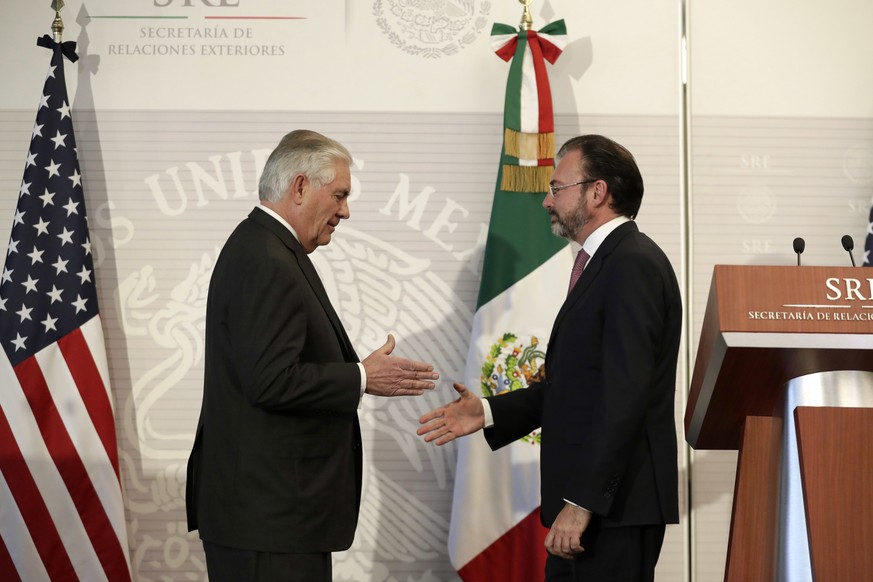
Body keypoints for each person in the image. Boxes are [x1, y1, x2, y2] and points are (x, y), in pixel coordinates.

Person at [418, 135, 681, 582]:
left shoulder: (631, 264)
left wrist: (582, 504)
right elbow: (577, 388)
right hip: (595, 503)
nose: (546, 201)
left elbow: (625, 395)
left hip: (609, 507)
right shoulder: (606, 263)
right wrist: (486, 411)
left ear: (597, 192)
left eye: (557, 188)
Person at [186, 129, 439, 582]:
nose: (345, 210)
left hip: (273, 520)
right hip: (267, 523)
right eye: (339, 194)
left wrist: (356, 373)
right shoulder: (266, 257)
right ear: (300, 187)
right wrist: (361, 377)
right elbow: (270, 380)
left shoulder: (267, 247)